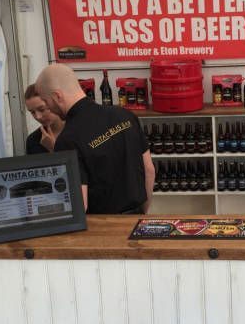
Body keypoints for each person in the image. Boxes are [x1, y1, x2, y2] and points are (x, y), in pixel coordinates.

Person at [35, 64, 155, 213]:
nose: (48, 108)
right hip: (137, 218)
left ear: (57, 96)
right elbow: (149, 170)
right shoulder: (124, 115)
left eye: (46, 101)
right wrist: (142, 214)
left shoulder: (67, 139)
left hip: (102, 223)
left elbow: (80, 205)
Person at [24, 83, 65, 154]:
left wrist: (53, 148)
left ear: (54, 102)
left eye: (42, 109)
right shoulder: (32, 140)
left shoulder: (77, 130)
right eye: (32, 112)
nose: (38, 117)